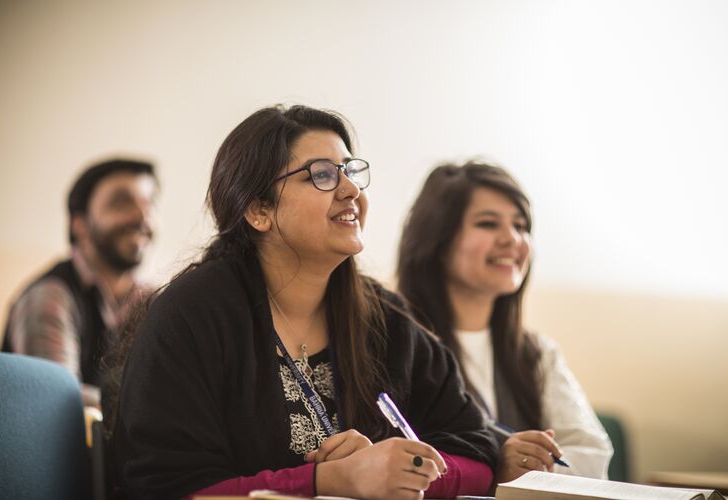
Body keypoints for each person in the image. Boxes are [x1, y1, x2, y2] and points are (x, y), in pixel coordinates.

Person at [110, 105, 499, 500]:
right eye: (323, 175)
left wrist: (404, 470)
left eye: (350, 171)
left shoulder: (385, 318)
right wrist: (333, 481)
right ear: (259, 210)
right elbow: (167, 488)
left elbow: (481, 454)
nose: (351, 190)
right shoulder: (191, 315)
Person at [396, 161, 613, 481]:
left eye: (521, 226)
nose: (513, 239)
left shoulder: (538, 353)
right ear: (437, 241)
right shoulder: (398, 344)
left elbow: (592, 455)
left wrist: (535, 467)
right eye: (488, 223)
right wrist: (496, 464)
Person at [1, 158, 158, 408]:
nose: (143, 217)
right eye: (121, 203)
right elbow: (58, 402)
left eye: (149, 204)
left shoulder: (151, 300)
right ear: (80, 224)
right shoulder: (49, 298)